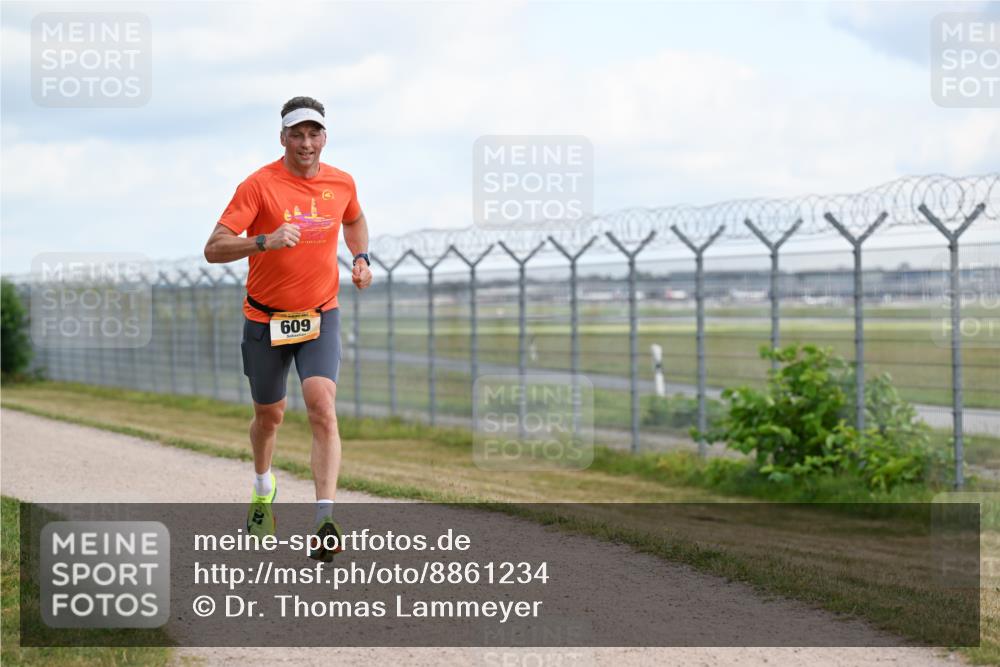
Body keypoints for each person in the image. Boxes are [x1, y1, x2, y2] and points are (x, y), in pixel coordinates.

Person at [204, 96, 372, 561]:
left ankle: (324, 519)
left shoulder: (341, 182)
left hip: (320, 313)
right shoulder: (258, 186)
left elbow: (354, 219)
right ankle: (263, 489)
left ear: (324, 137)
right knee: (269, 416)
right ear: (282, 138)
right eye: (296, 134)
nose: (305, 142)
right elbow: (213, 247)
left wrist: (360, 259)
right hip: (265, 317)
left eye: (313, 133)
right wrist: (263, 241)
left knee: (322, 406)